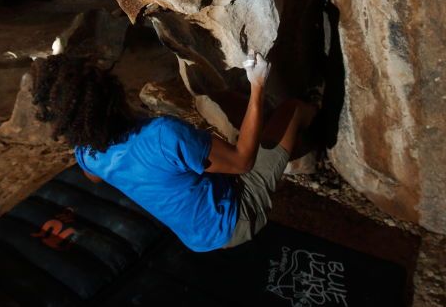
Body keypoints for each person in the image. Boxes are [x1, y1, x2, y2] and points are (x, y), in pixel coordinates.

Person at [30, 52, 318, 252]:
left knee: (228, 101)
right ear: (113, 91)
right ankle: (320, 120)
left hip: (194, 234)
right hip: (233, 219)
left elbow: (92, 177)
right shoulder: (162, 135)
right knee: (292, 110)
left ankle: (281, 133)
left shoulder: (87, 152)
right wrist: (258, 85)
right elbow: (243, 162)